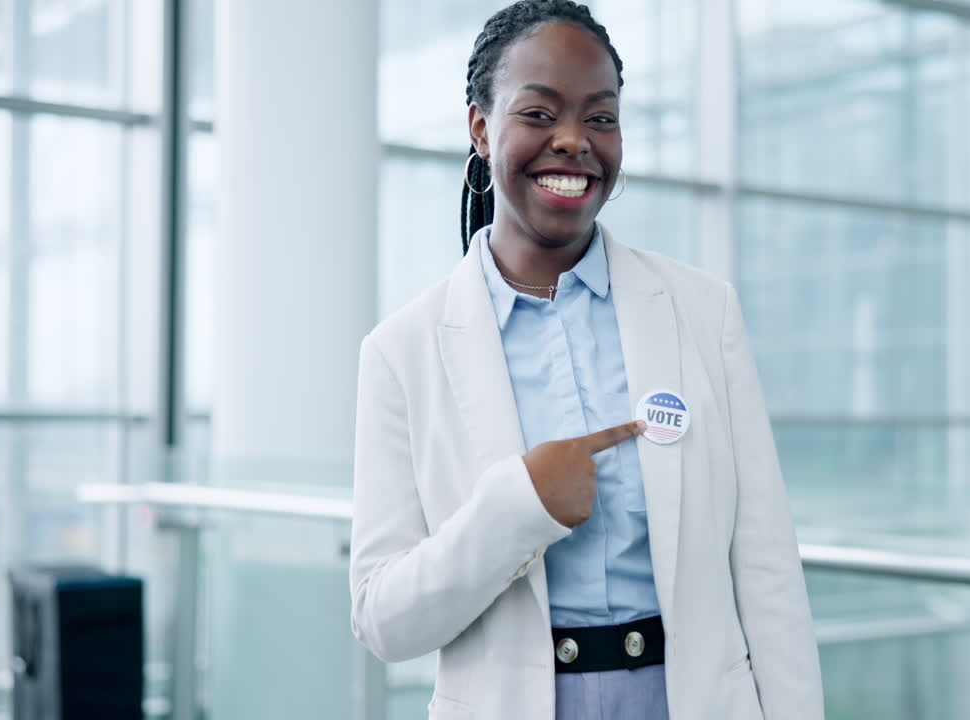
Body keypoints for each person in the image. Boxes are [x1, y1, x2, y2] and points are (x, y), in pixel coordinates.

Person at [348, 2, 823, 718]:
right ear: (480, 127)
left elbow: (767, 575)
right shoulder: (401, 352)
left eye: (600, 119)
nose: (573, 141)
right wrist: (521, 505)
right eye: (539, 114)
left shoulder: (701, 311)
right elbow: (383, 619)